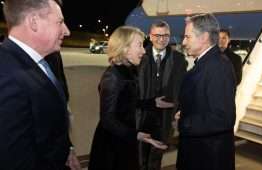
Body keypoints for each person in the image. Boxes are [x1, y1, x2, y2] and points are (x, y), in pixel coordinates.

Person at [0, 0, 81, 169]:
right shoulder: (6, 74)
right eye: (60, 22)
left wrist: (68, 148)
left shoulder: (44, 60)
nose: (67, 31)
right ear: (33, 22)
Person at [88, 26, 168, 170]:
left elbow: (127, 102)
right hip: (111, 147)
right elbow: (108, 120)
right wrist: (136, 135)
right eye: (139, 45)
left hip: (124, 139)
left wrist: (151, 103)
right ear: (124, 48)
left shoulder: (127, 71)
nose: (144, 51)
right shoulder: (112, 76)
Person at [176, 14, 236, 170]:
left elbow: (223, 118)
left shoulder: (218, 67)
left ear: (203, 37)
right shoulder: (208, 62)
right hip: (201, 152)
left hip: (208, 158)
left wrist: (185, 122)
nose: (183, 42)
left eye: (187, 37)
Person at [138, 20, 187, 170]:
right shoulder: (140, 55)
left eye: (165, 35)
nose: (161, 39)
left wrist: (177, 108)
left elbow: (182, 88)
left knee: (156, 158)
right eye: (157, 35)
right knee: (139, 157)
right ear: (150, 36)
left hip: (165, 118)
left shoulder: (179, 59)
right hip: (142, 116)